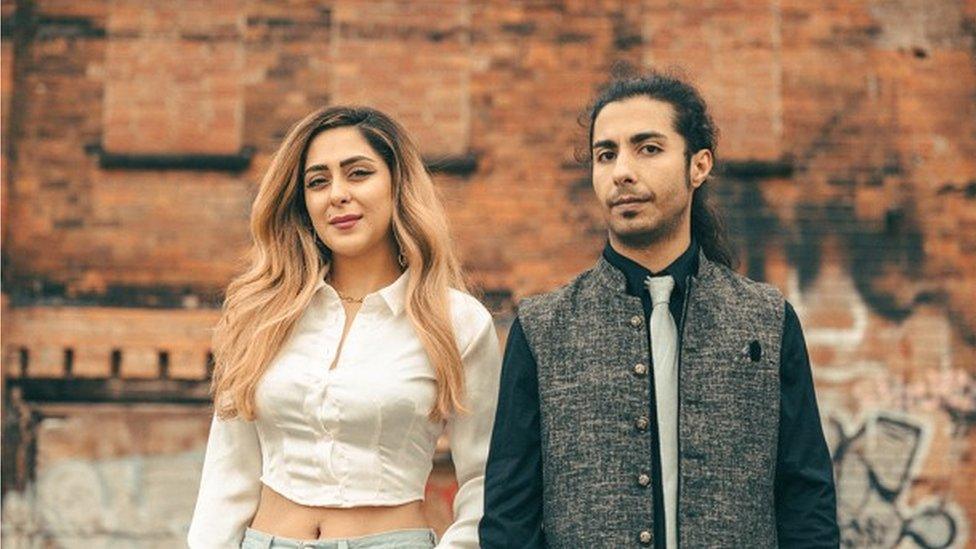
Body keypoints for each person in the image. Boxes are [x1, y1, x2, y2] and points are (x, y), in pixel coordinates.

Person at [480, 71, 838, 548]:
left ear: (699, 165)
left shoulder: (765, 320)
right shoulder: (544, 328)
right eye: (606, 154)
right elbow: (509, 516)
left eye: (648, 148)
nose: (622, 171)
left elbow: (806, 500)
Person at [188, 106, 501, 548]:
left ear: (397, 185)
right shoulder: (262, 313)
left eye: (358, 174)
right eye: (318, 181)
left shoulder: (457, 321)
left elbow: (485, 480)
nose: (337, 194)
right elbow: (228, 472)